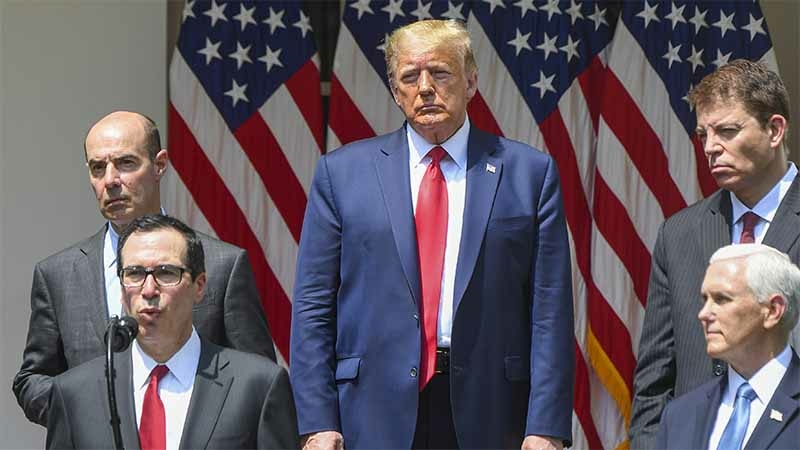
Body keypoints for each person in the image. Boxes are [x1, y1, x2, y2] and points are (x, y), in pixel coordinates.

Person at [290, 19, 573, 450]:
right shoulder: (341, 174)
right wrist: (316, 421)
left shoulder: (529, 174)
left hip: (493, 412)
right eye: (410, 76)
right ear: (394, 89)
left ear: (471, 81)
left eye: (440, 72)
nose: (425, 88)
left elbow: (550, 311)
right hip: (370, 412)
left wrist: (546, 426)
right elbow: (313, 306)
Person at [14, 111, 275, 427]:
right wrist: (86, 411)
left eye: (125, 163)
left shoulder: (221, 265)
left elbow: (258, 380)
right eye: (98, 168)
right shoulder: (57, 274)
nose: (110, 180)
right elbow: (32, 379)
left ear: (159, 165)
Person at [630, 59, 800, 449]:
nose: (710, 147)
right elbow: (655, 379)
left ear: (774, 130)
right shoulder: (679, 234)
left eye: (727, 131)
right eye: (704, 134)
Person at [46, 214, 298, 449]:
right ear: (122, 290)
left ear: (199, 286)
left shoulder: (258, 385)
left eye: (166, 273)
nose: (148, 290)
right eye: (134, 274)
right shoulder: (74, 394)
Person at [656, 244, 799, 450]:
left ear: (773, 310)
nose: (704, 314)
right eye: (705, 299)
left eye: (721, 299)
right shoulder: (679, 415)